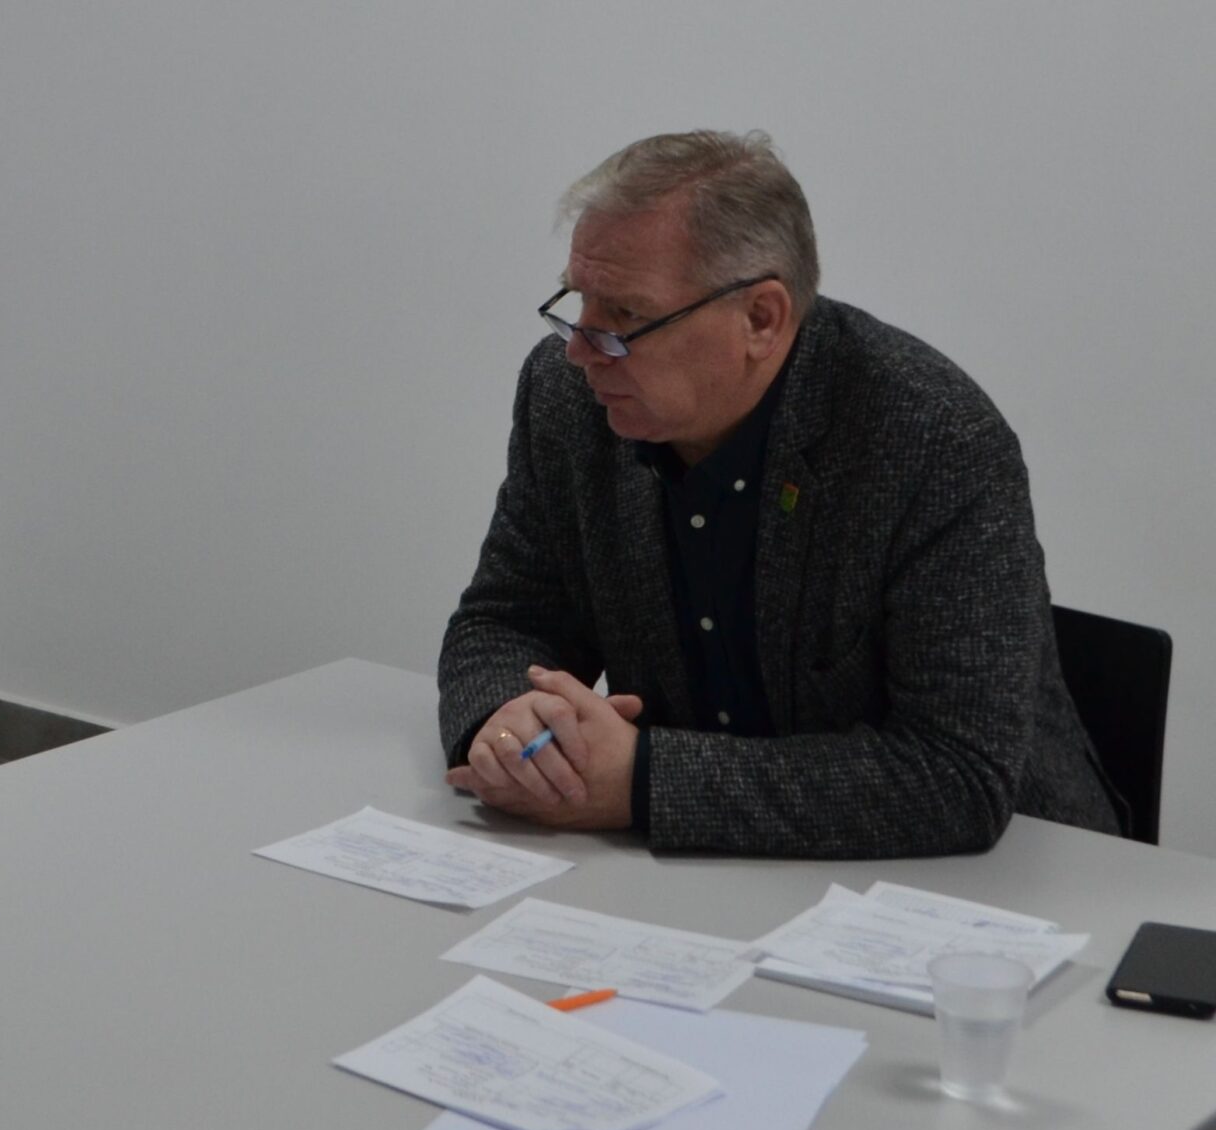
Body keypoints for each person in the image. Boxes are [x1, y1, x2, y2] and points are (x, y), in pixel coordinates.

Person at [437, 130, 1120, 857]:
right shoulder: (569, 399)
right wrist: (507, 726)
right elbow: (505, 620)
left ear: (761, 319)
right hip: (693, 878)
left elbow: (954, 774)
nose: (581, 348)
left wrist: (644, 782)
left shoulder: (935, 439)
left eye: (627, 316)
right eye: (581, 300)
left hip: (998, 885)